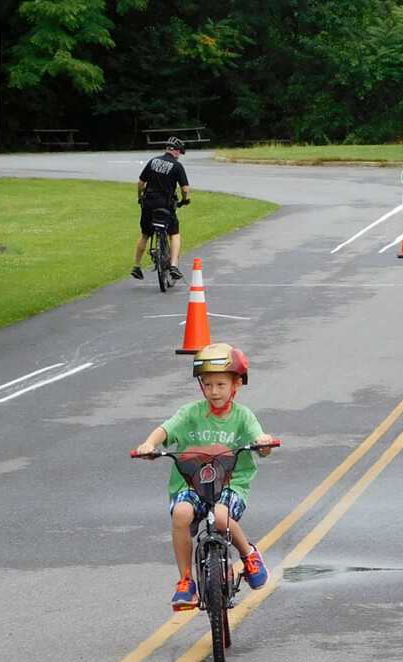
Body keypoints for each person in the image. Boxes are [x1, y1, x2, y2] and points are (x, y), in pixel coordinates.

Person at [134, 342, 275, 609]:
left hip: (230, 485)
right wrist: (149, 445)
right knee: (181, 514)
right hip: (192, 485)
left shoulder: (244, 417)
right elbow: (165, 429)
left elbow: (262, 445)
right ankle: (186, 580)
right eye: (208, 384)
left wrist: (264, 442)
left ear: (237, 385)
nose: (214, 391)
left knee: (220, 517)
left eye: (221, 384)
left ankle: (249, 554)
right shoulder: (191, 412)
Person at [133, 136, 190, 281]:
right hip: (166, 204)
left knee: (145, 234)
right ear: (177, 152)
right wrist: (185, 200)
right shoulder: (177, 166)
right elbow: (184, 188)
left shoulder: (153, 161)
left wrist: (140, 196)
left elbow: (140, 183)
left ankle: (137, 267)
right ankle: (173, 265)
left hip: (149, 203)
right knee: (174, 234)